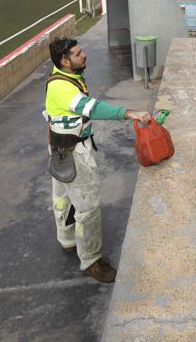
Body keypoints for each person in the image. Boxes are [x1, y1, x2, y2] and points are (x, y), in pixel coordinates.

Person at [44, 37, 152, 283]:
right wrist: (129, 113)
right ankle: (92, 261)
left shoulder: (62, 76)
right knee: (88, 208)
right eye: (78, 54)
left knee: (62, 198)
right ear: (64, 60)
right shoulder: (63, 87)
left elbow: (54, 115)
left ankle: (68, 240)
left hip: (60, 150)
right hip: (74, 154)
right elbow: (91, 108)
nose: (84, 56)